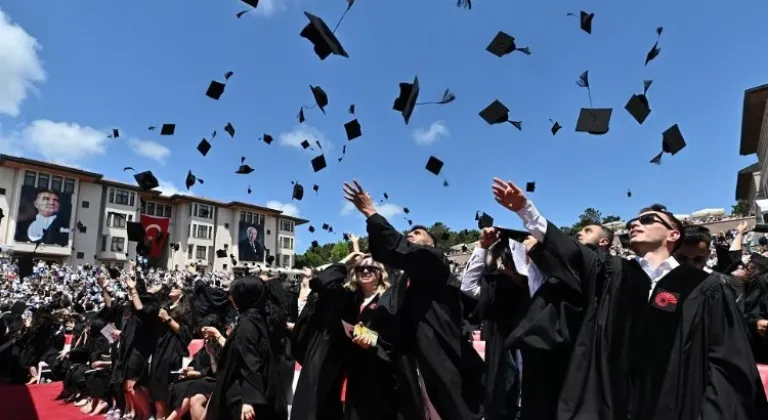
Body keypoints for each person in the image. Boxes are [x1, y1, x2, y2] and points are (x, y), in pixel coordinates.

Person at [491, 178, 768, 420]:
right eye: (635, 220)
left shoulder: (704, 287)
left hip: (673, 405)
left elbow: (724, 359)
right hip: (611, 404)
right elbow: (573, 254)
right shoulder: (614, 273)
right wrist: (526, 210)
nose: (636, 223)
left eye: (648, 219)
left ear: (674, 234)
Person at [343, 179, 484, 420]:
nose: (411, 235)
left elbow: (404, 251)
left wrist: (370, 213)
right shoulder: (399, 287)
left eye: (417, 233)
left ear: (432, 243)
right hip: (412, 372)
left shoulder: (435, 263)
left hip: (441, 360)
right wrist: (365, 336)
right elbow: (384, 329)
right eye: (409, 232)